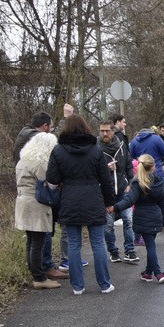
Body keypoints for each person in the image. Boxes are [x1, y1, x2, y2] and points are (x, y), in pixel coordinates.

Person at [45, 114, 116, 295]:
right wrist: (109, 202)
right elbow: (105, 179)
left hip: (69, 199)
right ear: (85, 127)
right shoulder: (95, 149)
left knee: (74, 244)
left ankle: (77, 286)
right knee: (98, 244)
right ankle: (104, 284)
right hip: (93, 198)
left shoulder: (58, 150)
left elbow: (52, 179)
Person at [15, 132, 61, 289]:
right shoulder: (39, 164)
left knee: (31, 241)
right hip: (36, 204)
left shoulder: (23, 160)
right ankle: (39, 278)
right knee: (38, 243)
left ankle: (34, 273)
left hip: (22, 202)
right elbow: (50, 183)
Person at [115, 155, 164, 283]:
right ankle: (147, 273)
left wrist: (116, 207)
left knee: (150, 246)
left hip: (142, 217)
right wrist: (163, 220)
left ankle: (158, 273)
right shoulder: (158, 182)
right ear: (153, 167)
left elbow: (129, 200)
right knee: (151, 244)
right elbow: (162, 203)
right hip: (156, 216)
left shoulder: (137, 182)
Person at [98, 121, 137, 264]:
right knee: (108, 225)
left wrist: (129, 183)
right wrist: (105, 168)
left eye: (107, 131)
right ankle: (113, 251)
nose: (104, 134)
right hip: (105, 192)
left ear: (113, 131)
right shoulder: (95, 147)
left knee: (128, 220)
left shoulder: (121, 145)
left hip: (122, 188)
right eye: (102, 131)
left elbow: (128, 165)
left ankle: (130, 250)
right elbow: (92, 169)